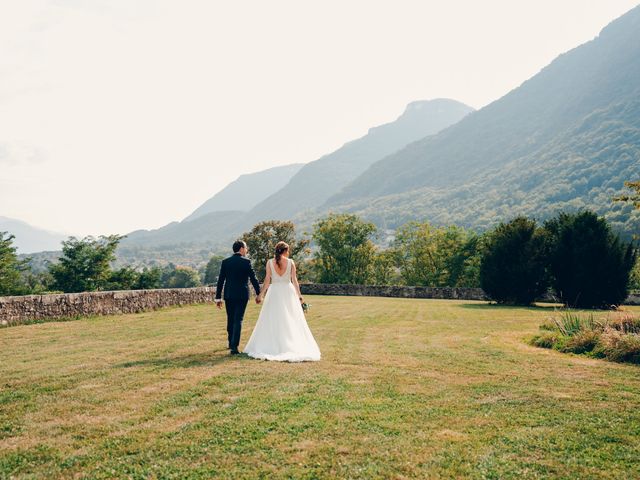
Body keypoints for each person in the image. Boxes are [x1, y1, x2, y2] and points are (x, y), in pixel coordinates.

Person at [243, 241, 321, 362]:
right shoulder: (290, 262)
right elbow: (294, 280)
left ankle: (273, 343)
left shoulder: (270, 262)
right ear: (286, 250)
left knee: (272, 318)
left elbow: (267, 279)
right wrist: (299, 296)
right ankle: (289, 342)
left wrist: (261, 294)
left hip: (274, 292)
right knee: (291, 317)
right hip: (288, 292)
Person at [215, 240, 261, 355]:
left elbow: (220, 281)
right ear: (241, 248)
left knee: (230, 318)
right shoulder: (246, 262)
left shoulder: (225, 262)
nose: (246, 250)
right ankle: (234, 347)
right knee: (238, 319)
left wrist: (218, 298)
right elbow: (253, 279)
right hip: (242, 295)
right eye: (245, 248)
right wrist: (259, 294)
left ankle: (231, 343)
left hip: (229, 294)